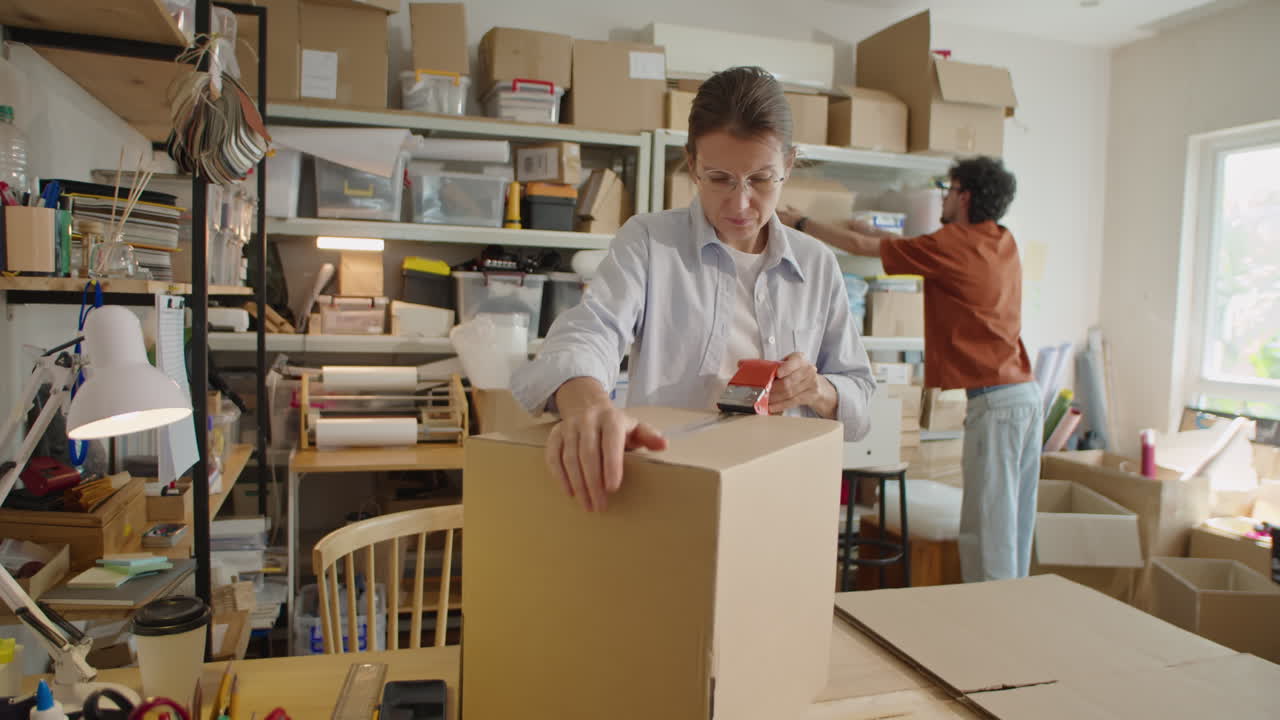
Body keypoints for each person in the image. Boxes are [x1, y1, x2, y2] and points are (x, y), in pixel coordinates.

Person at [512, 66, 875, 512]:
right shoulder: (650, 242)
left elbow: (862, 400)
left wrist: (816, 389)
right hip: (673, 492)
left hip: (784, 495)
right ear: (692, 165)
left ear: (789, 164)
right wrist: (588, 407)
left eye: (762, 179)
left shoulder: (816, 264)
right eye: (719, 178)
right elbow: (591, 331)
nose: (740, 202)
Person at [778, 157, 1040, 582]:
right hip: (1025, 397)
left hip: (995, 405)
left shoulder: (952, 244)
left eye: (948, 190)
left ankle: (989, 613)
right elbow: (903, 244)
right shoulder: (1001, 240)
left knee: (986, 529)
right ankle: (1011, 608)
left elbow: (864, 248)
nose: (943, 198)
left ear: (964, 195)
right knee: (1014, 525)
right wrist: (870, 231)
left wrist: (802, 222)